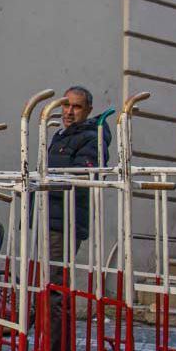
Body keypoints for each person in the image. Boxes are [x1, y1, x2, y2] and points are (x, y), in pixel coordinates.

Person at [43, 86, 108, 254]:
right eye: (66, 105)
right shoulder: (63, 136)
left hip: (65, 222)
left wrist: (46, 182)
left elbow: (83, 176)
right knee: (43, 275)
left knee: (55, 275)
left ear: (88, 110)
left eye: (77, 107)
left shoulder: (91, 139)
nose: (69, 112)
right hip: (49, 217)